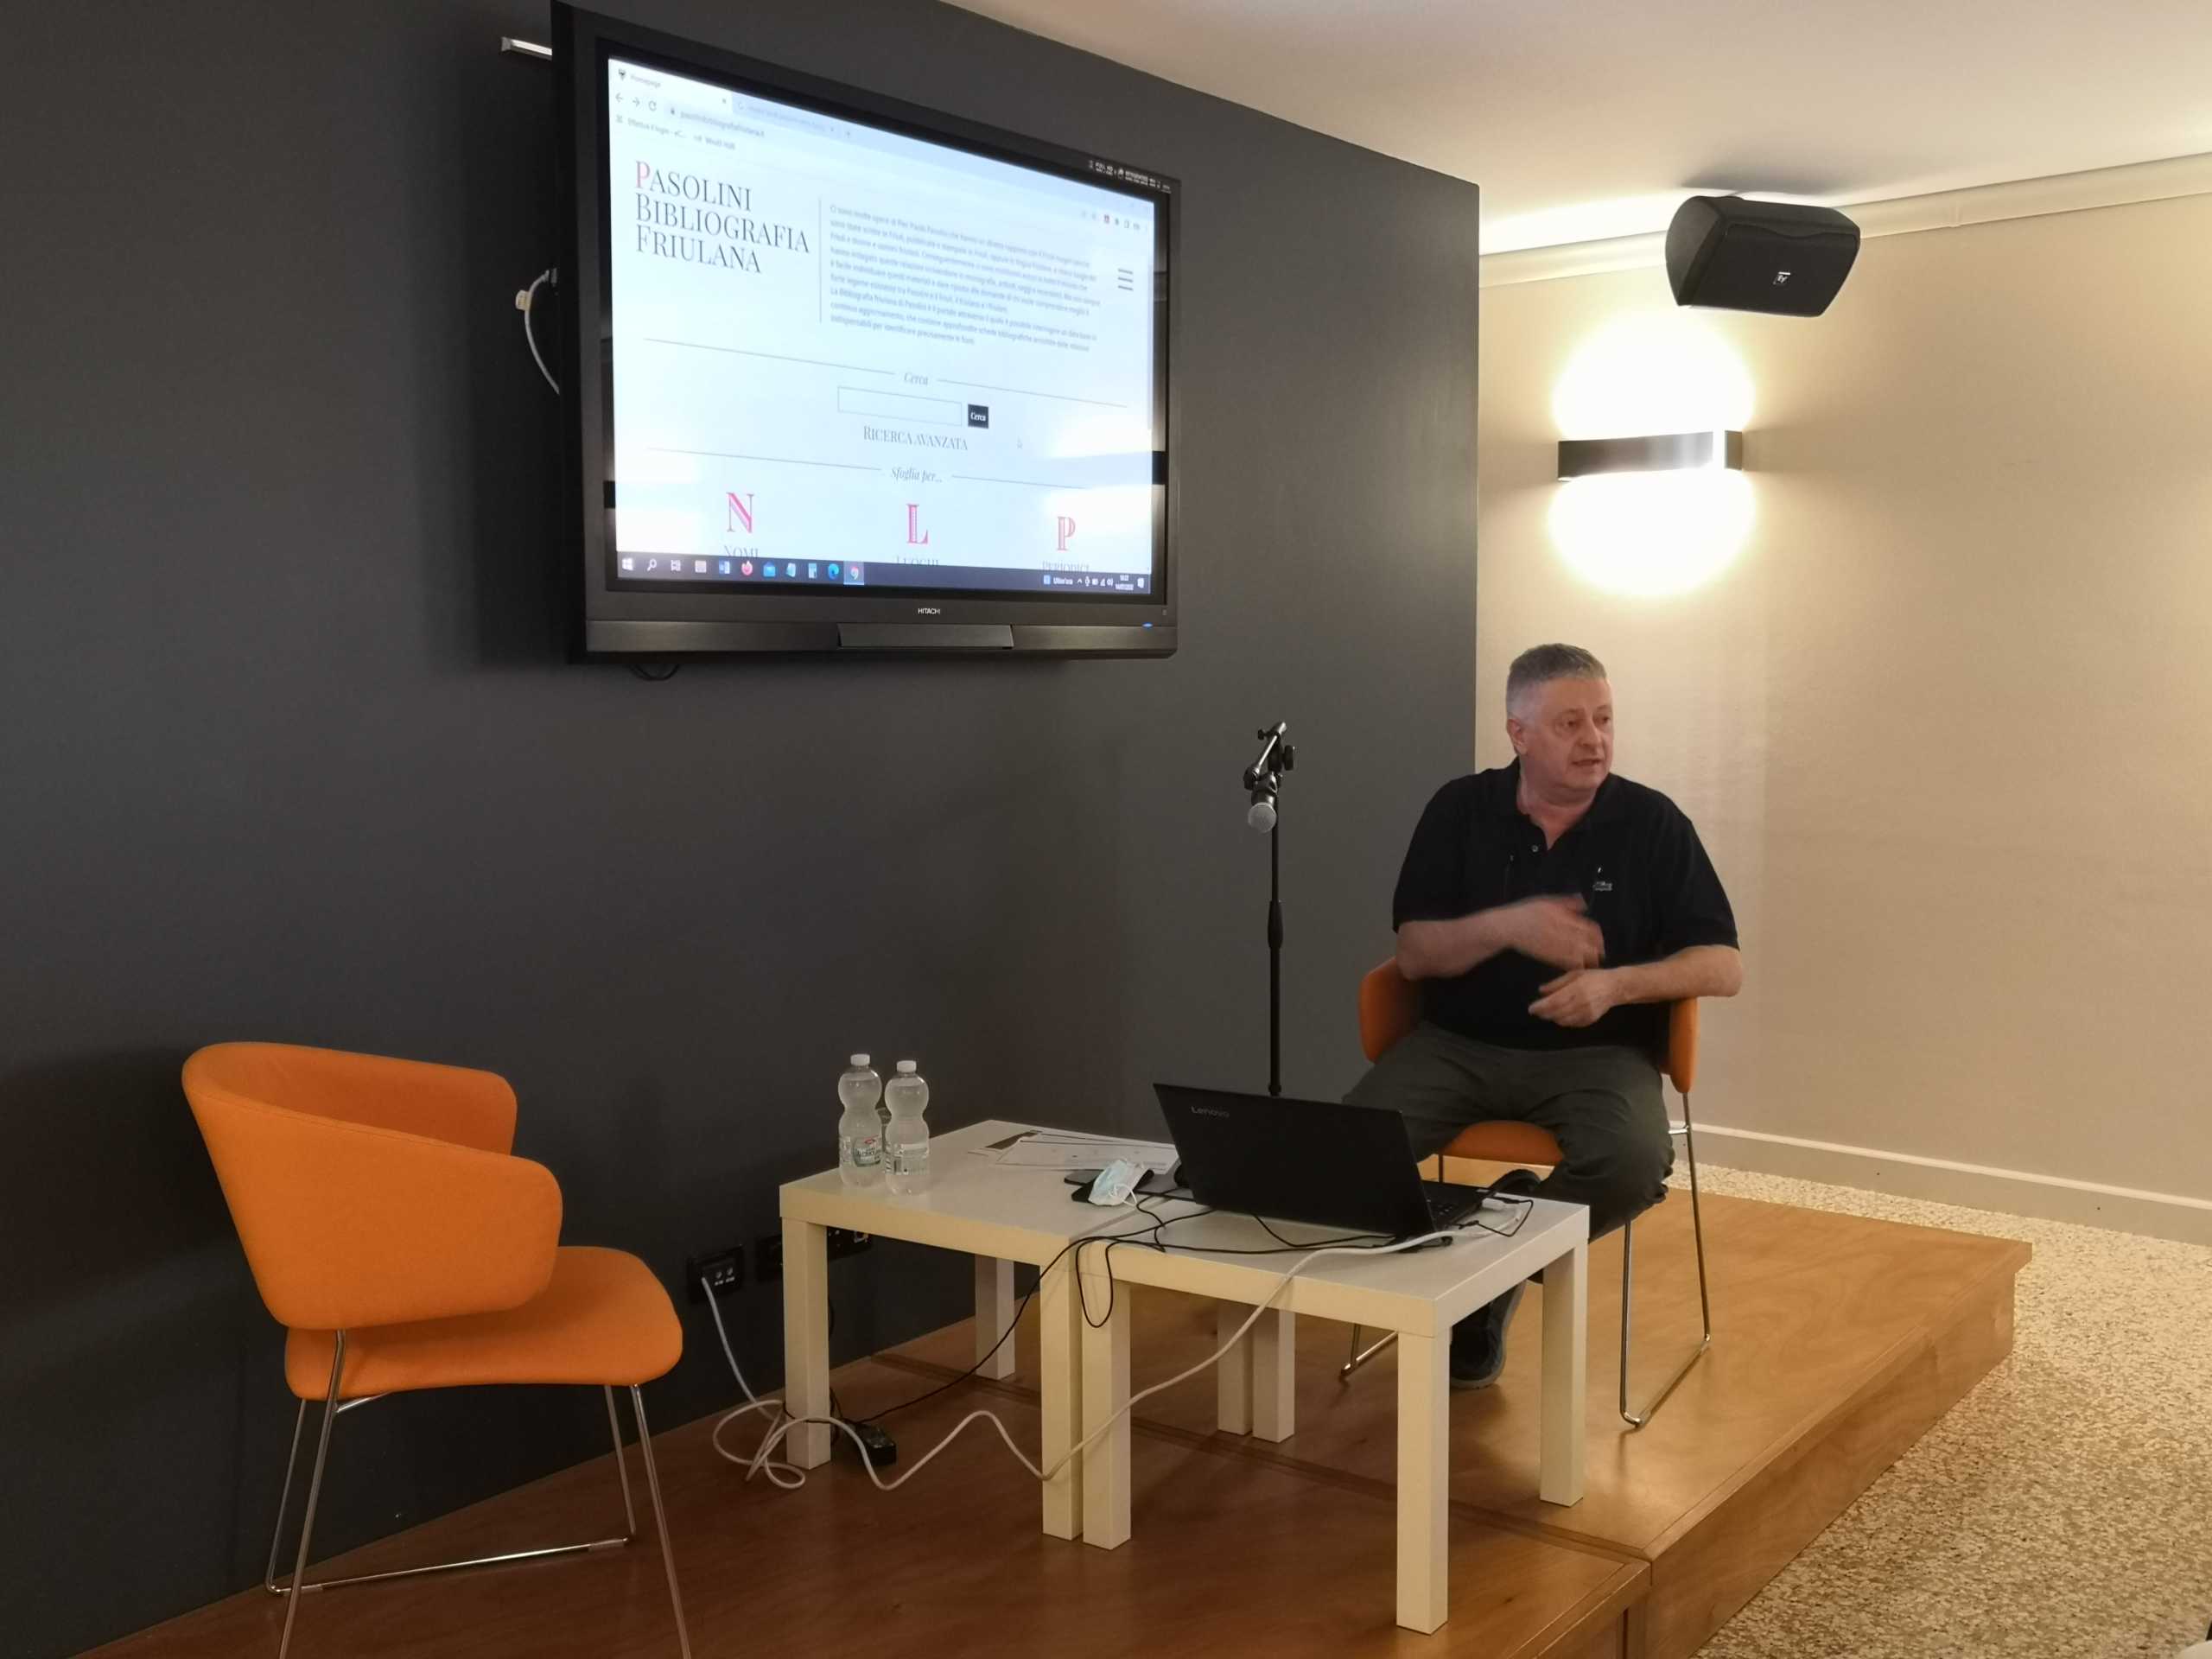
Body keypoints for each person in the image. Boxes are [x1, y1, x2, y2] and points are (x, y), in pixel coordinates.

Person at [1348, 644, 1744, 1389]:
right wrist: (1510, 925)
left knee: (1631, 1165)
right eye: (1570, 724)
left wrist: (1617, 986)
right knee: (1342, 1163)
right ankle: (1489, 1247)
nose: (1594, 740)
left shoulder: (1653, 824)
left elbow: (1724, 966)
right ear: (1519, 732)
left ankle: (1485, 1277)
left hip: (1597, 1057)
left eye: (1604, 720)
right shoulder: (1460, 809)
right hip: (1456, 1046)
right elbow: (1415, 956)